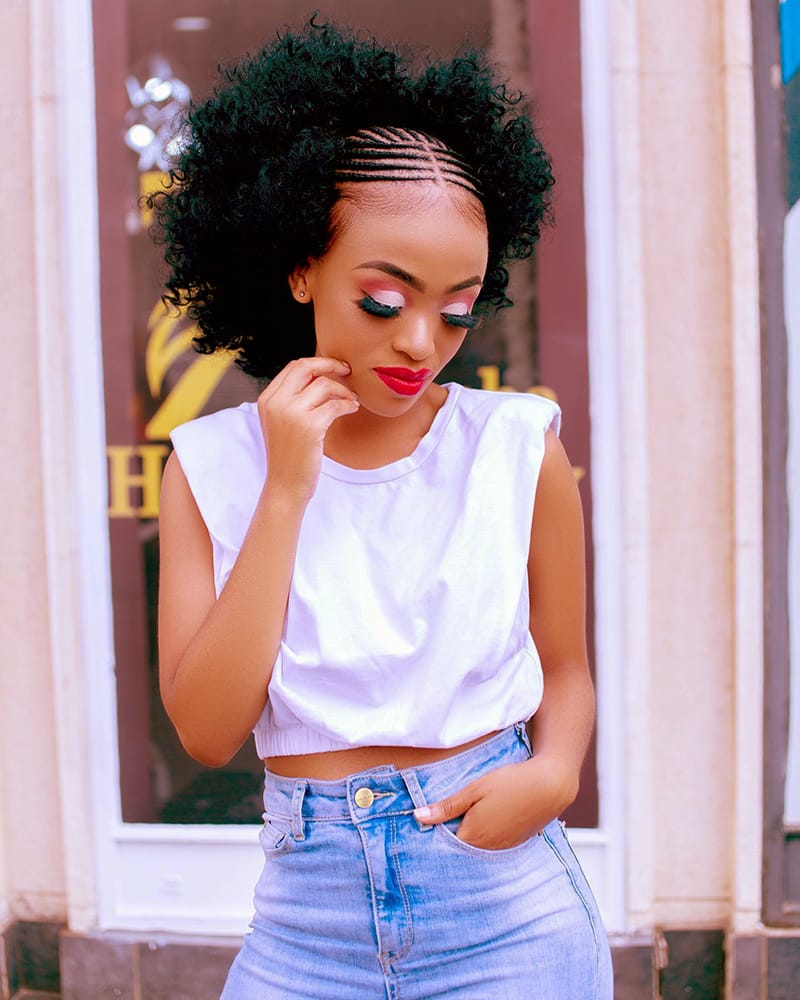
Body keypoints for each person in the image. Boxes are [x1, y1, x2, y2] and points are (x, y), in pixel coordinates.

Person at [152, 19, 613, 1000]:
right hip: (301, 929)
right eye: (381, 298)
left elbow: (567, 667)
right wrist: (284, 490)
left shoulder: (515, 448)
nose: (420, 340)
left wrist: (554, 772)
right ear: (299, 266)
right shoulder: (211, 466)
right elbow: (204, 729)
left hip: (503, 912)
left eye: (456, 307)